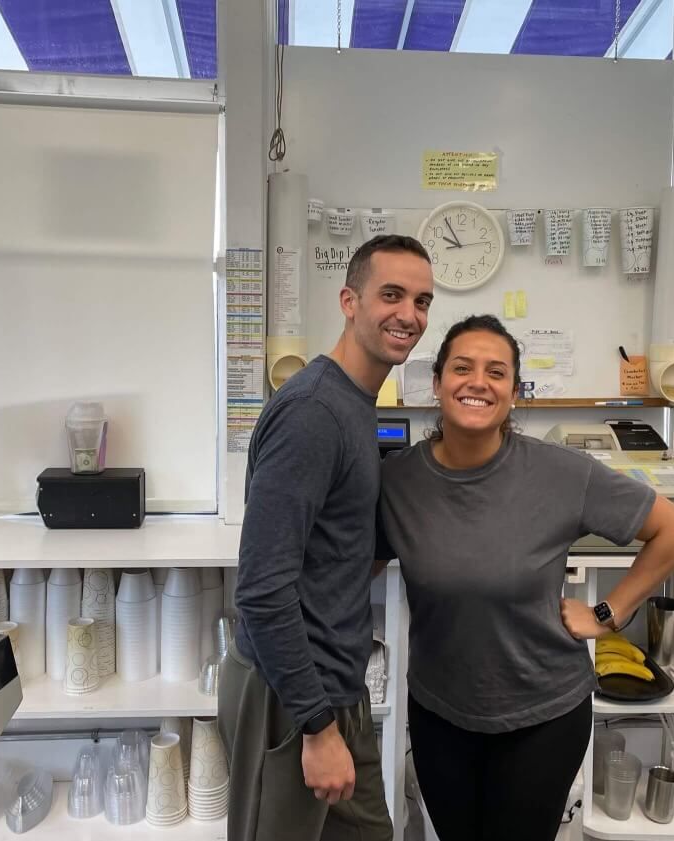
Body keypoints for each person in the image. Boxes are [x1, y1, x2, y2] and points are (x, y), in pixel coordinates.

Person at [377, 314, 674, 841]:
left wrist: (607, 613)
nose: (478, 381)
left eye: (496, 372)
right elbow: (355, 560)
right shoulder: (398, 481)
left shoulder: (562, 474)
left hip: (542, 715)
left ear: (513, 391)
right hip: (440, 712)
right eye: (462, 367)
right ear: (436, 383)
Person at [219, 235, 434, 841]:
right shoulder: (314, 412)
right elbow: (261, 590)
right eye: (391, 295)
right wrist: (316, 727)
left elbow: (337, 553)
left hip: (333, 687)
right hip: (291, 699)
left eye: (422, 301)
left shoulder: (356, 404)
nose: (408, 315)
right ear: (349, 300)